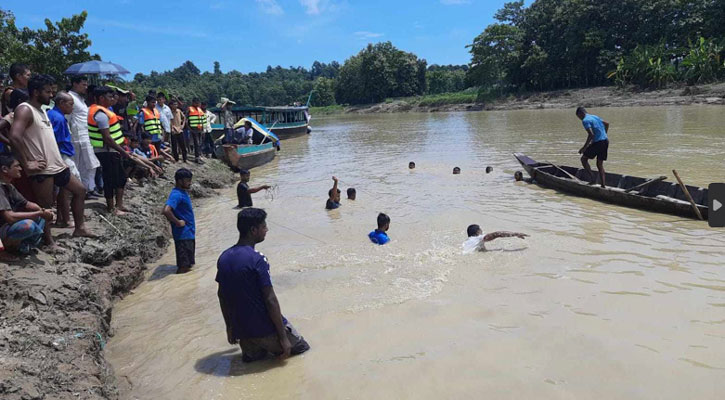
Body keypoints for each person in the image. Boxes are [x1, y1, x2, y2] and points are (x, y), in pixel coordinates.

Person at [216, 208, 310, 362]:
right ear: (253, 230)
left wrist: (230, 328)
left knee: (256, 362)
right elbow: (270, 299)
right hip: (265, 330)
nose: (266, 230)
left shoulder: (224, 258)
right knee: (303, 349)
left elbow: (222, 296)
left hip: (243, 333)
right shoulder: (257, 259)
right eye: (264, 226)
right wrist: (283, 338)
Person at [8, 75, 93, 245]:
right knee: (45, 205)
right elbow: (14, 136)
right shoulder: (25, 109)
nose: (51, 95)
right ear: (36, 92)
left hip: (57, 165)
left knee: (80, 190)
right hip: (42, 169)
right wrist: (27, 163)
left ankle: (80, 228)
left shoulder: (42, 110)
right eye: (48, 92)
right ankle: (49, 242)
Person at [88, 86, 132, 215]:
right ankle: (111, 208)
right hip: (106, 151)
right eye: (110, 97)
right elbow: (107, 138)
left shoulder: (106, 111)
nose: (113, 99)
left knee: (122, 177)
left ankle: (119, 205)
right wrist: (123, 151)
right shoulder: (101, 115)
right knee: (110, 179)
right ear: (101, 98)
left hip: (113, 150)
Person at [0, 154, 52, 254]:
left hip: (5, 226)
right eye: (17, 166)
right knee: (27, 225)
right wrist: (39, 213)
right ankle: (7, 251)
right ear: (5, 169)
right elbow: (9, 217)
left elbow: (27, 204)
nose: (20, 169)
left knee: (42, 217)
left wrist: (44, 211)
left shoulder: (9, 186)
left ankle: (24, 245)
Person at [47, 91, 81, 228]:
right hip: (62, 155)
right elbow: (55, 140)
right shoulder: (58, 118)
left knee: (63, 189)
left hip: (60, 155)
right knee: (72, 188)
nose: (72, 107)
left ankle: (62, 218)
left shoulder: (53, 115)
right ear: (61, 103)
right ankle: (67, 219)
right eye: (70, 104)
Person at [68, 75, 101, 197]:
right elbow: (68, 119)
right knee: (79, 166)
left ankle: (90, 188)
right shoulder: (70, 97)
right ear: (75, 84)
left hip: (86, 136)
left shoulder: (80, 99)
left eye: (86, 85)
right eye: (83, 84)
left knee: (90, 165)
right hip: (77, 138)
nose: (86, 87)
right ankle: (83, 190)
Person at [163, 168, 196, 273]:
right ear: (179, 181)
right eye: (187, 180)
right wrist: (177, 222)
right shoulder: (176, 194)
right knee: (184, 268)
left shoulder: (183, 192)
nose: (190, 183)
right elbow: (166, 210)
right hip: (183, 236)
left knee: (189, 267)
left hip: (189, 233)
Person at [576, 106, 610, 188]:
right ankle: (603, 186)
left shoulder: (585, 120)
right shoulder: (594, 116)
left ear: (581, 113)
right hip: (605, 141)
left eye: (579, 117)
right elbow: (607, 124)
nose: (580, 119)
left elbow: (591, 135)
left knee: (583, 159)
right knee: (599, 164)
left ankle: (593, 179)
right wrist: (604, 134)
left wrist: (584, 147)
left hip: (598, 143)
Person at [462, 224, 528, 253]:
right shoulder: (479, 238)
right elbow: (497, 234)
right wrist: (515, 234)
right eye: (480, 229)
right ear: (478, 232)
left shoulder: (467, 241)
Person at [186, 99, 204, 163]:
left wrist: (203, 129)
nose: (197, 104)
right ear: (193, 102)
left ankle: (199, 156)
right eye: (196, 103)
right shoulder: (189, 109)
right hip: (193, 129)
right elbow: (186, 119)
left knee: (199, 143)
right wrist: (189, 128)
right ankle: (197, 157)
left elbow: (202, 119)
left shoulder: (199, 109)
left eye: (198, 103)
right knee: (196, 143)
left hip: (200, 129)